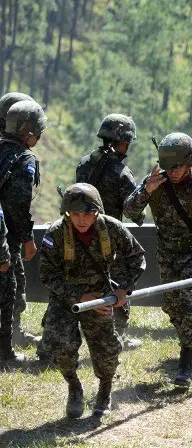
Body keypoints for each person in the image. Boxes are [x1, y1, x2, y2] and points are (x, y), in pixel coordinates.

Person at [124, 132, 192, 387]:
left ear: (190, 162)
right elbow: (129, 210)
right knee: (172, 307)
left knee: (190, 296)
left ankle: (187, 359)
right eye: (168, 167)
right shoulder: (155, 182)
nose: (172, 172)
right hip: (167, 253)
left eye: (177, 167)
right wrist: (147, 189)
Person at [39, 184, 146, 418]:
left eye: (87, 213)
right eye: (75, 214)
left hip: (101, 296)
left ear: (96, 211)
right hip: (66, 298)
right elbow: (47, 274)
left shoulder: (112, 228)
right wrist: (78, 296)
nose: (82, 219)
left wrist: (123, 289)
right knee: (59, 344)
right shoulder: (55, 233)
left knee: (106, 351)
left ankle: (104, 391)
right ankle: (74, 386)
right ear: (67, 213)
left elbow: (137, 257)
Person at [76, 113, 145, 350]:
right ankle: (119, 334)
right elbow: (136, 213)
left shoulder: (85, 164)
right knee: (119, 280)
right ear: (123, 141)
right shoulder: (121, 173)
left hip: (80, 232)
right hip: (109, 236)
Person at [0, 99, 45, 364]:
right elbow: (18, 206)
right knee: (9, 289)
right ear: (28, 132)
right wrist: (27, 239)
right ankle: (6, 351)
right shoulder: (24, 159)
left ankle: (13, 334)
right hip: (6, 237)